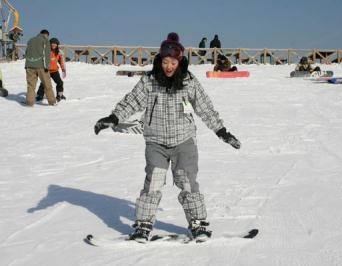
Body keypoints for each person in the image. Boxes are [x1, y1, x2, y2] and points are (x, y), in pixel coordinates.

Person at [94, 32, 241, 243]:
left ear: (179, 61)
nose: (169, 66)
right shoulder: (149, 81)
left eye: (173, 62)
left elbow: (205, 108)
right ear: (159, 60)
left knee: (187, 182)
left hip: (184, 142)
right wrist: (114, 117)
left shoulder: (189, 81)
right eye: (165, 61)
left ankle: (198, 223)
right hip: (156, 142)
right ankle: (143, 225)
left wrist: (221, 131)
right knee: (153, 183)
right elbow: (132, 102)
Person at [24, 29, 56, 106]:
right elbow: (46, 54)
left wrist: (26, 65)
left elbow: (27, 53)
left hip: (30, 66)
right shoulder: (45, 41)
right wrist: (47, 66)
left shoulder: (30, 40)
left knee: (31, 85)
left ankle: (29, 102)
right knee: (47, 84)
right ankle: (52, 102)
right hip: (41, 66)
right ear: (46, 35)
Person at [36, 37, 66, 102]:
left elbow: (61, 62)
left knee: (60, 83)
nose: (53, 45)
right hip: (46, 71)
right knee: (44, 83)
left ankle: (60, 95)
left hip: (55, 71)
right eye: (52, 43)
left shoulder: (59, 52)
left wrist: (63, 69)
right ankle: (39, 95)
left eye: (55, 44)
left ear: (57, 45)